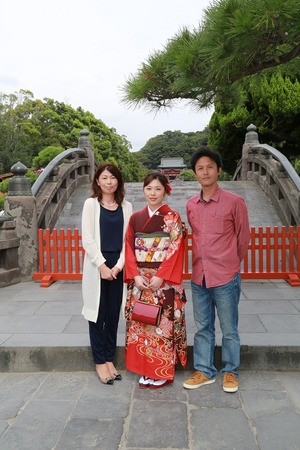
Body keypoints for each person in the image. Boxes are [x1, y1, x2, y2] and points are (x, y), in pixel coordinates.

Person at [183, 148, 250, 393]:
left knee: (229, 328)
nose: (205, 172)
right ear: (194, 173)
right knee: (202, 327)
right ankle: (205, 370)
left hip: (225, 275)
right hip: (199, 275)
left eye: (210, 166)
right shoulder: (191, 205)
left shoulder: (235, 202)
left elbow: (243, 238)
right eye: (200, 168)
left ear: (219, 170)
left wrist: (232, 263)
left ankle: (230, 371)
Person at [124, 171, 187, 389]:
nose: (153, 193)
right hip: (141, 280)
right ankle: (145, 369)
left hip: (163, 282)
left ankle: (160, 371)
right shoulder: (136, 218)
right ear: (143, 190)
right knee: (142, 323)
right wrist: (134, 274)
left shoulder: (172, 218)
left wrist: (161, 276)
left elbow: (175, 248)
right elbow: (129, 247)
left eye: (158, 189)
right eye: (149, 188)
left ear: (165, 191)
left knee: (162, 324)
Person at [81, 163, 133, 385]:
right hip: (97, 266)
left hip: (118, 266)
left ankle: (110, 358)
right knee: (97, 314)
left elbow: (128, 241)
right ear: (98, 181)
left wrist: (119, 266)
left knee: (113, 315)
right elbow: (88, 239)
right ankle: (99, 361)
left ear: (119, 181)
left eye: (113, 177)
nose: (109, 181)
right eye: (105, 177)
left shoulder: (126, 207)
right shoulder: (91, 204)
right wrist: (102, 265)